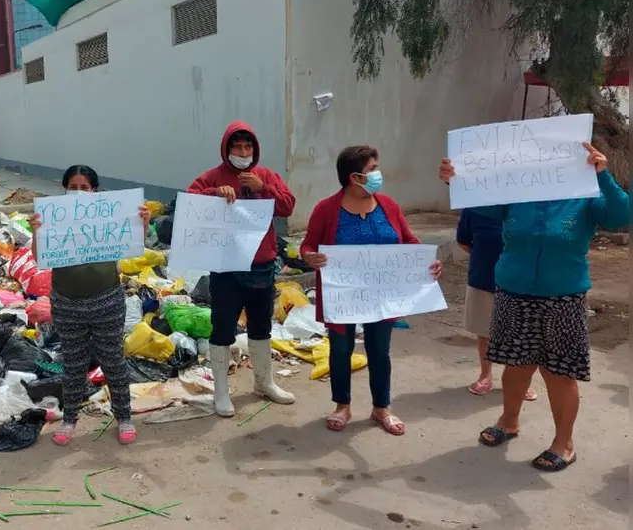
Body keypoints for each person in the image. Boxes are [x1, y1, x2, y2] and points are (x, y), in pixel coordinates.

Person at [439, 142, 628, 472]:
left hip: (563, 298)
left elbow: (622, 216)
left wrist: (603, 175)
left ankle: (564, 444)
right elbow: (480, 201)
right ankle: (509, 421)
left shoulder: (585, 193)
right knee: (516, 365)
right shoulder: (518, 191)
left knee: (559, 373)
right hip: (513, 294)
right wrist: (457, 179)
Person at [300, 145, 442, 436]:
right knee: (341, 350)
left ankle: (381, 408)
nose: (378, 174)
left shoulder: (388, 205)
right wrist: (309, 257)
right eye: (372, 169)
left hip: (382, 294)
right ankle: (342, 405)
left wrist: (428, 263)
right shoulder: (326, 209)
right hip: (343, 295)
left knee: (380, 351)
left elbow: (409, 241)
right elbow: (308, 245)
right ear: (354, 177)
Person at [28, 165, 150, 446]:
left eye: (85, 187)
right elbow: (39, 257)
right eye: (73, 187)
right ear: (64, 190)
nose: (79, 192)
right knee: (73, 364)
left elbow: (131, 244)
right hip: (66, 303)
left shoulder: (109, 217)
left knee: (113, 361)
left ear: (95, 191)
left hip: (107, 300)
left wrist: (141, 223)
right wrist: (36, 233)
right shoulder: (54, 219)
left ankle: (124, 417)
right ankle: (70, 419)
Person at [186, 120, 297, 417]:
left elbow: (288, 206)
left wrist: (264, 188)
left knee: (262, 326)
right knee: (222, 327)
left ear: (255, 149)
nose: (243, 152)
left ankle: (264, 382)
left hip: (262, 265)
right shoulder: (212, 177)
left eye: (248, 147)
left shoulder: (266, 175)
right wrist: (214, 193)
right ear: (227, 149)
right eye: (237, 147)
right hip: (226, 267)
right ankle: (221, 392)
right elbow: (189, 203)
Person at [457, 210, 538, 401]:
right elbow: (463, 241)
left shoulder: (527, 206)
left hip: (521, 281)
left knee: (521, 332)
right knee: (484, 329)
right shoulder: (475, 209)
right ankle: (485, 375)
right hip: (484, 276)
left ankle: (520, 380)